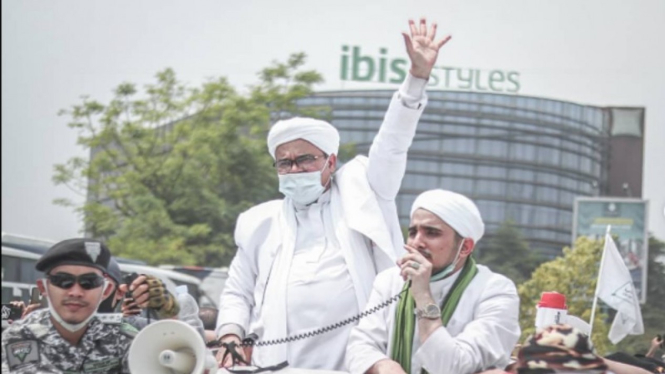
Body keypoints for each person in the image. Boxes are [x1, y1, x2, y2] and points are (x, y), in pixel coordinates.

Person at [215, 18, 452, 370]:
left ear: (330, 161)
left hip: (357, 364)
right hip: (276, 364)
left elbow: (392, 144)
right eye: (285, 163)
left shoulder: (364, 190)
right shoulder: (258, 223)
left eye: (305, 159)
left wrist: (415, 79)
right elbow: (237, 290)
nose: (294, 170)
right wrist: (230, 334)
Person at [345, 189, 521, 374]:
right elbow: (360, 345)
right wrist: (382, 365)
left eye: (432, 233)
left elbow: (454, 367)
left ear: (465, 247)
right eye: (413, 232)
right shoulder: (390, 280)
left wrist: (422, 295)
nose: (417, 243)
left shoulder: (495, 290)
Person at [1, 238, 135, 373]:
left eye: (89, 282)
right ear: (43, 288)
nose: (76, 293)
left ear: (105, 290)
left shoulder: (123, 337)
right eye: (63, 281)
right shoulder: (21, 336)